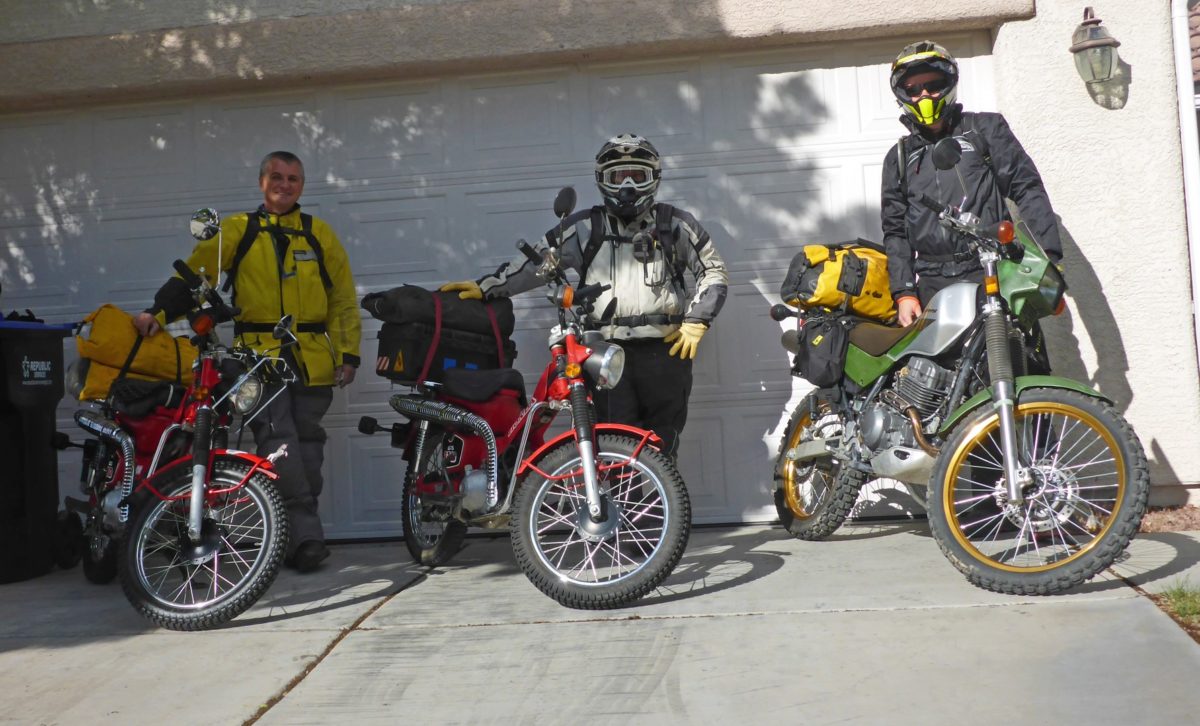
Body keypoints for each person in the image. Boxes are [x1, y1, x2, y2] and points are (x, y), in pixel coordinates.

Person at [133, 150, 362, 573]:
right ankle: (306, 538)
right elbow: (193, 278)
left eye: (293, 178)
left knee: (308, 448)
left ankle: (292, 534)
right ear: (262, 182)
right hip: (257, 359)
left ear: (302, 186)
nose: (285, 184)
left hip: (311, 358)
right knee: (280, 446)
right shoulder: (237, 230)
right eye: (277, 176)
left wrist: (348, 354)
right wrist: (158, 313)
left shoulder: (319, 235)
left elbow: (343, 300)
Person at [441, 133, 728, 459]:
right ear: (601, 181)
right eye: (618, 177)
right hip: (605, 353)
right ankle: (620, 508)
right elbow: (537, 264)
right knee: (612, 441)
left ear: (654, 178)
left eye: (638, 175)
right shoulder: (585, 226)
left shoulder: (674, 223)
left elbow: (713, 271)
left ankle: (662, 509)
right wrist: (487, 287)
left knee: (663, 442)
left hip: (666, 351)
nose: (627, 186)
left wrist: (697, 320)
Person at [881, 40, 1064, 365]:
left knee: (1016, 369)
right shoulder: (899, 157)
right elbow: (895, 230)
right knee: (942, 383)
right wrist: (904, 291)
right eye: (915, 89)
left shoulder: (986, 129)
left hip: (992, 272)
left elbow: (1027, 189)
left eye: (933, 85)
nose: (924, 96)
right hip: (933, 284)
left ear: (948, 84)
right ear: (903, 95)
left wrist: (1048, 259)